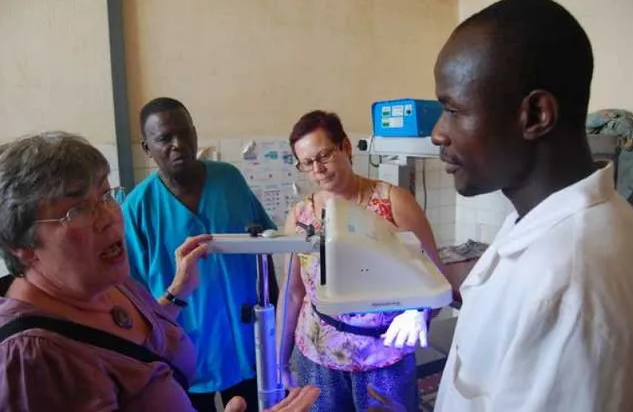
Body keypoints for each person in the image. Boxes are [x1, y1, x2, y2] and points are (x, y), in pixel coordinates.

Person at [0, 132, 319, 411]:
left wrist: (178, 291)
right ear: (21, 245)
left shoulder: (112, 283)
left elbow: (146, 340)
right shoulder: (32, 359)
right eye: (79, 210)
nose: (109, 217)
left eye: (106, 195)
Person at [428, 0, 633, 412]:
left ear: (537, 115)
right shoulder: (545, 223)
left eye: (453, 110)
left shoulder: (563, 288)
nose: (438, 133)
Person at [276, 110, 445, 411]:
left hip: (384, 357)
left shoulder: (393, 202)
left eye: (324, 155)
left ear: (345, 147)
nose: (318, 169)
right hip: (317, 356)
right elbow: (292, 293)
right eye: (307, 163)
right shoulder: (301, 217)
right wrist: (280, 359)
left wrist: (418, 311)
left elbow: (435, 277)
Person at [122, 97, 279, 412]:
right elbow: (134, 294)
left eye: (184, 133)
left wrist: (275, 315)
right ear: (147, 148)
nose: (178, 144)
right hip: (182, 351)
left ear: (194, 133)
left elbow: (265, 246)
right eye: (165, 138)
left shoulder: (229, 180)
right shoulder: (138, 208)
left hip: (247, 343)